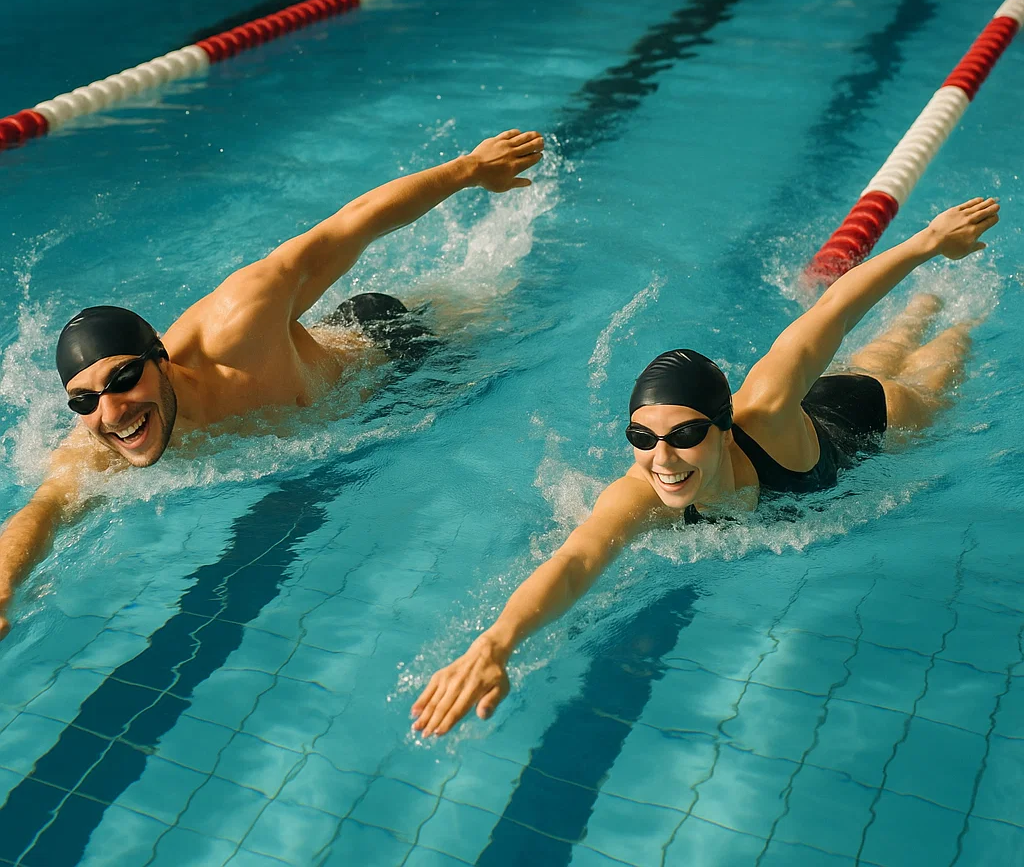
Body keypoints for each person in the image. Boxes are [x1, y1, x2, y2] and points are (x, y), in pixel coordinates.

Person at [411, 196, 999, 737]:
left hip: (876, 417)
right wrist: (494, 645)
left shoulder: (764, 407)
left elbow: (839, 306)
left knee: (941, 351)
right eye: (643, 437)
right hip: (817, 403)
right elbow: (574, 560)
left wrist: (927, 243)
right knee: (885, 340)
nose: (662, 459)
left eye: (685, 436)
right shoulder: (640, 488)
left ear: (722, 429)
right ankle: (917, 311)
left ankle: (949, 310)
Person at [0, 129, 545, 642]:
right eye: (85, 400)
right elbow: (42, 512)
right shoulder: (99, 445)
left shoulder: (239, 322)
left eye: (123, 378)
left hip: (392, 347)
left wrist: (470, 169)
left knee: (511, 307)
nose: (112, 411)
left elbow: (349, 226)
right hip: (345, 407)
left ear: (160, 357)